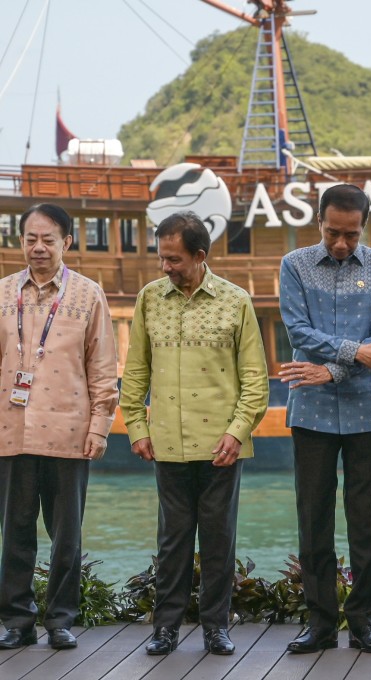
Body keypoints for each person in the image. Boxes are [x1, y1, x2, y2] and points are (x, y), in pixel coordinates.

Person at [121, 211, 269, 656]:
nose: (165, 266)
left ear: (200, 256)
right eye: (161, 257)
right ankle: (164, 628)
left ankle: (215, 628)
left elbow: (256, 380)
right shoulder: (149, 298)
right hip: (165, 443)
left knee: (219, 540)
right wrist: (135, 426)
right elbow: (136, 371)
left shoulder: (235, 300)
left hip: (222, 446)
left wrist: (237, 433)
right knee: (172, 541)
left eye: (174, 259)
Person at [279, 183, 371, 654]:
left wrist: (328, 369)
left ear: (364, 227)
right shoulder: (294, 265)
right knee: (313, 519)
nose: (342, 244)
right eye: (333, 233)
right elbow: (298, 330)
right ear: (319, 222)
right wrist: (354, 355)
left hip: (368, 410)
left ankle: (365, 621)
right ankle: (320, 622)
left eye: (351, 234)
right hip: (309, 412)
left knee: (365, 520)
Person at [0, 204, 118, 651]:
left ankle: (61, 620)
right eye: (30, 238)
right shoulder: (3, 291)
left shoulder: (88, 295)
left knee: (65, 534)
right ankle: (17, 620)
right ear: (21, 242)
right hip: (10, 431)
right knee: (15, 533)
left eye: (48, 239)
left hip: (70, 431)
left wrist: (100, 427)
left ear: (66, 243)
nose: (38, 247)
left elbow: (103, 367)